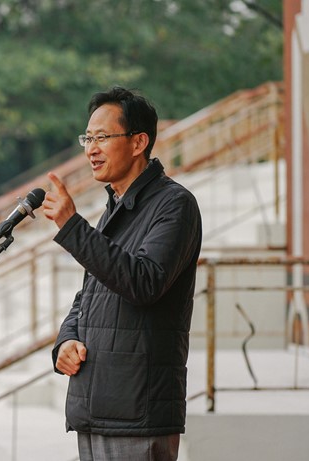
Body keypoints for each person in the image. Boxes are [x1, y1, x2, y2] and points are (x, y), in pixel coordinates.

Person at [43, 86, 202, 461]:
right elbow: (90, 294)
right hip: (96, 404)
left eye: (102, 137)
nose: (91, 149)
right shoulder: (116, 208)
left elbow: (144, 282)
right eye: (88, 138)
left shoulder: (174, 205)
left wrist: (72, 227)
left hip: (137, 410)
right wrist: (66, 341)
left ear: (138, 142)